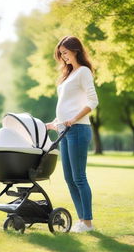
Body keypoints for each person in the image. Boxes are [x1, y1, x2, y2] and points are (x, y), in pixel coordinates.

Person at [46, 36, 99, 233]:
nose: (63, 57)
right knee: (69, 178)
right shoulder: (68, 75)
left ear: (75, 50)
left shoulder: (83, 72)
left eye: (65, 53)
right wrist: (54, 123)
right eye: (61, 54)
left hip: (77, 129)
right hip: (64, 129)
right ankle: (81, 221)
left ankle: (88, 223)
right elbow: (66, 105)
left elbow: (92, 101)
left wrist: (74, 119)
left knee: (79, 178)